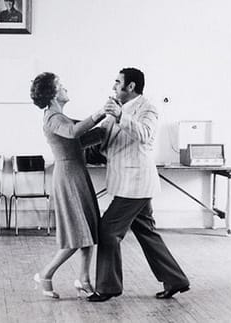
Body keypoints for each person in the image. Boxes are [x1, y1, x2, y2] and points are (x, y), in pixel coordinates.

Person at [87, 68, 190, 302]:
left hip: (136, 184)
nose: (113, 86)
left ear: (130, 86)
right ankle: (175, 279)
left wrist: (121, 115)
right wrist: (72, 131)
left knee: (108, 231)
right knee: (146, 232)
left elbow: (145, 134)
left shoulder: (148, 108)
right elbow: (101, 136)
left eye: (117, 82)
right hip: (128, 183)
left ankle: (108, 287)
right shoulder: (116, 109)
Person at [30, 72, 105, 298]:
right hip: (68, 176)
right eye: (60, 86)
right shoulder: (53, 118)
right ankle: (45, 273)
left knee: (89, 230)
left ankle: (83, 279)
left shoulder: (60, 116)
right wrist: (101, 114)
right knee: (77, 233)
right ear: (52, 94)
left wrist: (105, 128)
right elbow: (73, 132)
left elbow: (81, 140)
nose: (65, 88)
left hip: (76, 173)